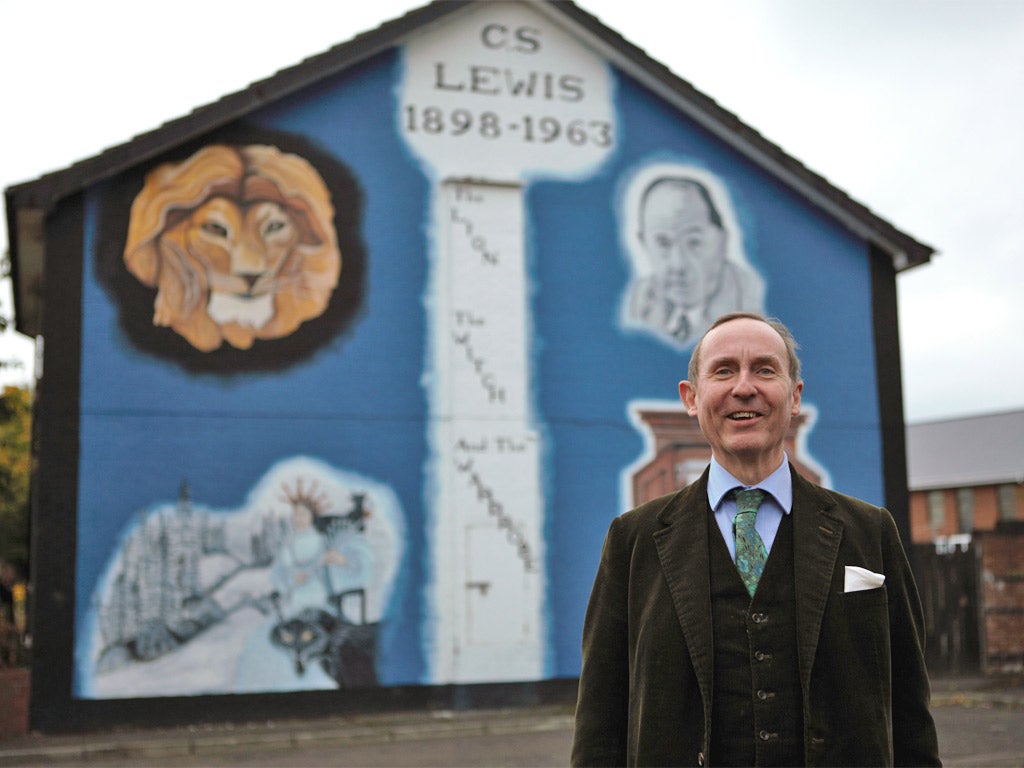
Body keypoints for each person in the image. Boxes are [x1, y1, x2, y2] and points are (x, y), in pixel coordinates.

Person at [572, 312, 940, 767]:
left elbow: (910, 713)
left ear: (794, 396)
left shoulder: (870, 531)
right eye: (723, 370)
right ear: (691, 397)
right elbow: (599, 724)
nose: (743, 387)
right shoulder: (633, 540)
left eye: (764, 369)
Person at [625, 177, 763, 348]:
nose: (678, 265)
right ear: (644, 243)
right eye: (663, 243)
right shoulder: (640, 300)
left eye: (694, 242)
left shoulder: (752, 300)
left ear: (721, 239)